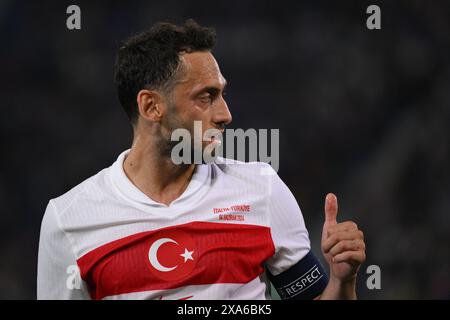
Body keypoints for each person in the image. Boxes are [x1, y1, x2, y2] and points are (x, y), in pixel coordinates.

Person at [37, 19, 365, 300]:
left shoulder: (260, 190)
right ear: (151, 106)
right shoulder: (69, 221)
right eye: (205, 97)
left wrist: (342, 280)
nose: (226, 115)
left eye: (221, 94)